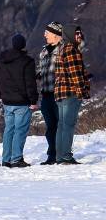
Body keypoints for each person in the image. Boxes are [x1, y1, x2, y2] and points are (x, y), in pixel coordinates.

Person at [0, 34, 38, 167]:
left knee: (9, 130)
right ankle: (17, 159)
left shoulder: (1, 60)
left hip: (6, 101)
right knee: (20, 130)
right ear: (23, 45)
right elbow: (30, 83)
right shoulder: (27, 61)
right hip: (22, 102)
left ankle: (6, 159)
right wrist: (33, 100)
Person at [54, 23, 91, 165]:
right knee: (68, 125)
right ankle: (66, 156)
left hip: (60, 93)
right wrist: (82, 92)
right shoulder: (72, 50)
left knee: (62, 125)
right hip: (70, 93)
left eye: (80, 33)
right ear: (70, 34)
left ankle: (60, 156)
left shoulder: (61, 48)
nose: (79, 35)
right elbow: (75, 74)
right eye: (77, 33)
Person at [37, 22, 64, 164]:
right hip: (46, 95)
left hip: (59, 94)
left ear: (55, 34)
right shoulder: (43, 51)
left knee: (61, 125)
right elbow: (39, 71)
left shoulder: (64, 49)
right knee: (50, 127)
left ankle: (63, 154)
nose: (44, 35)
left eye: (47, 32)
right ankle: (52, 155)